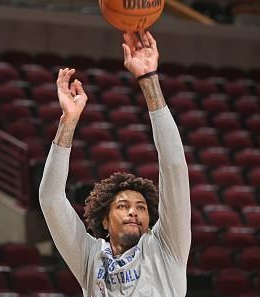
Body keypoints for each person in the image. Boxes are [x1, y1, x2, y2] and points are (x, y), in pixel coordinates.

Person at [39, 30, 191, 296]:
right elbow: (50, 200)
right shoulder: (89, 257)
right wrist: (68, 121)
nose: (134, 212)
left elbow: (174, 165)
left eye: (141, 208)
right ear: (105, 222)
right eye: (123, 206)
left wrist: (148, 80)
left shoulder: (166, 247)